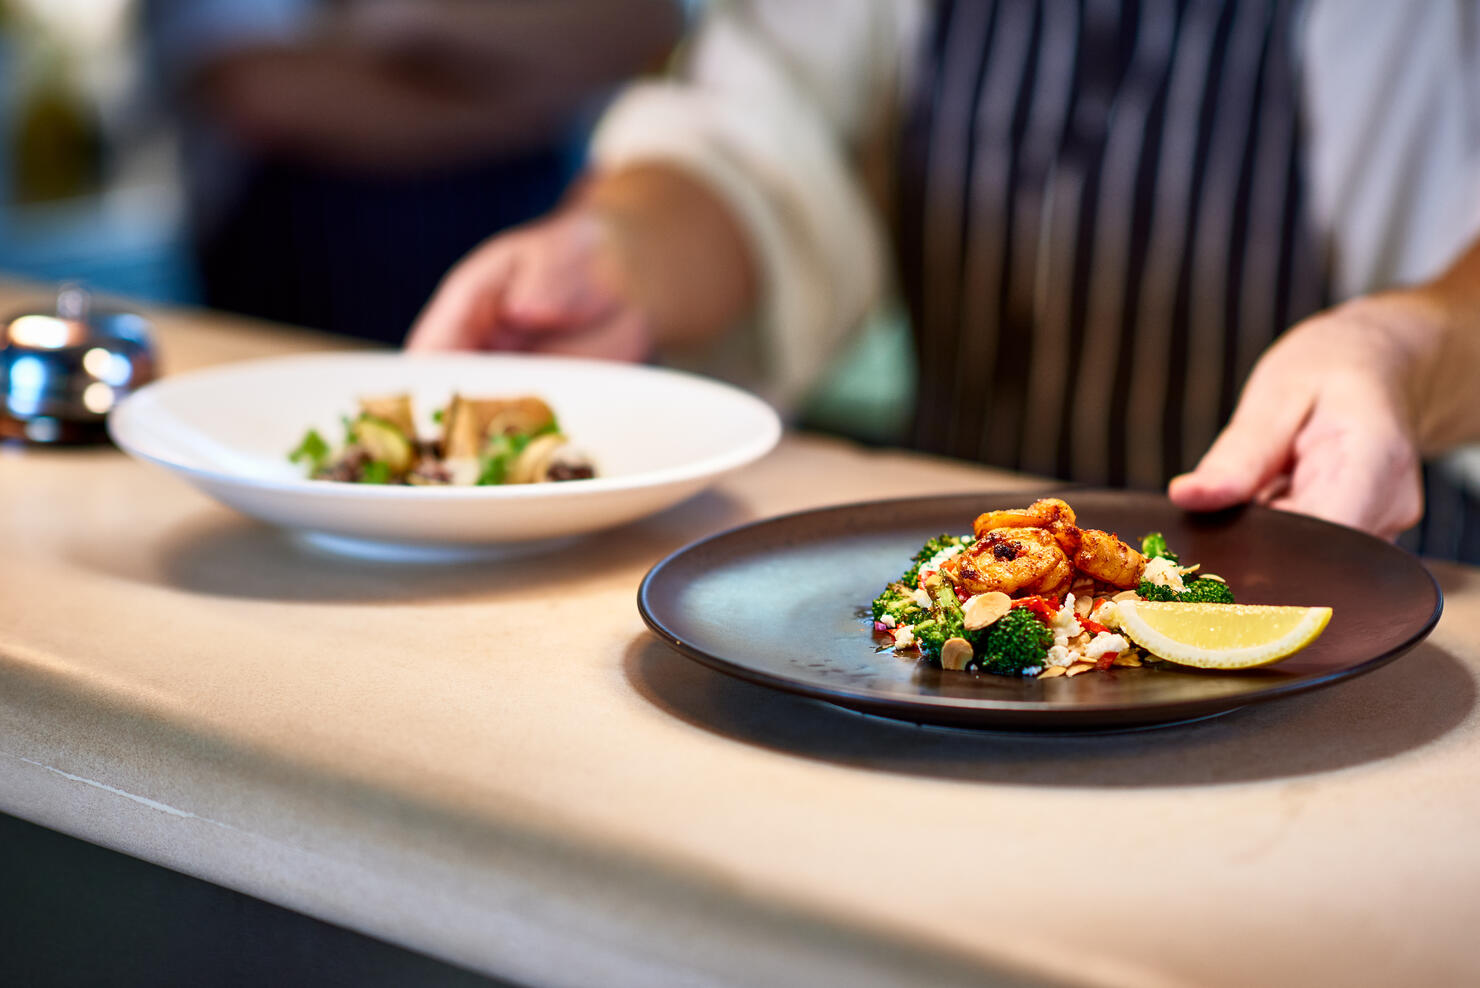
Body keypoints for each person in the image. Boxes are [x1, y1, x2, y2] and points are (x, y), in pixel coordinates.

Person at [407, 0, 1480, 550]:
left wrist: (1395, 347)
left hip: (1372, 588)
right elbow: (759, 140)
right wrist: (621, 250)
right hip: (954, 595)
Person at [145, 0, 682, 343]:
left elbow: (643, 24)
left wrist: (388, 24)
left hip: (535, 205)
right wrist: (521, 83)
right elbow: (263, 88)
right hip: (306, 254)